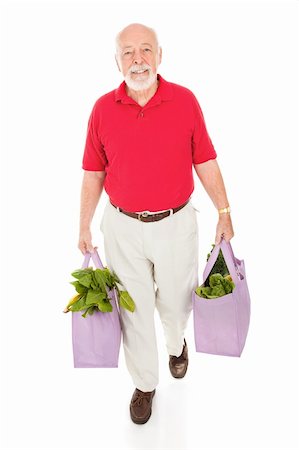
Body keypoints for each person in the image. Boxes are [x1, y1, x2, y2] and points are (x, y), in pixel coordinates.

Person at [78, 23, 234, 425]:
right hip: (122, 227)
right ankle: (145, 383)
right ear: (117, 62)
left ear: (160, 55)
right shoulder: (101, 109)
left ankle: (177, 343)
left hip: (176, 224)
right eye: (127, 53)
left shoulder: (185, 101)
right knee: (134, 309)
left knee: (175, 303)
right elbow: (93, 174)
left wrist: (224, 212)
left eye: (145, 50)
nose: (137, 60)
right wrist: (83, 226)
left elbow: (205, 161)